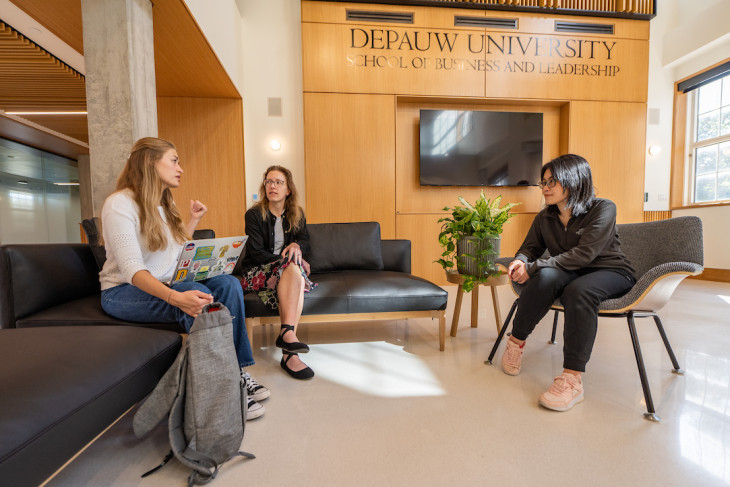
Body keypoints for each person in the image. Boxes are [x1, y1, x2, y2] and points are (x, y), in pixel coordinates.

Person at [99, 137, 269, 419]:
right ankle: (219, 391)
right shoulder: (120, 204)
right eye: (174, 160)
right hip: (122, 293)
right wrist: (176, 296)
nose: (180, 168)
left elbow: (173, 253)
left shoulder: (161, 206)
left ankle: (235, 372)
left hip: (165, 284)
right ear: (151, 162)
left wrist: (193, 222)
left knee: (228, 283)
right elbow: (132, 270)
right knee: (193, 292)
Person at [501, 153, 636, 412]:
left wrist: (534, 266)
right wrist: (520, 261)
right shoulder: (545, 217)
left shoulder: (603, 208)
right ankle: (516, 342)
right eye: (544, 182)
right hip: (569, 271)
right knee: (545, 276)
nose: (546, 188)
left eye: (553, 181)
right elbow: (530, 248)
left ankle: (572, 379)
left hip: (610, 271)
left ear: (574, 180)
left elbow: (585, 255)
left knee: (578, 291)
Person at [239, 165, 317, 380]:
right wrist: (288, 260)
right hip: (257, 271)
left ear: (288, 189)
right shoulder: (254, 215)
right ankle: (289, 349)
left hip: (286, 271)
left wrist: (297, 248)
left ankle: (287, 339)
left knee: (294, 272)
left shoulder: (297, 214)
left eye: (278, 182)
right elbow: (256, 253)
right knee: (294, 271)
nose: (272, 186)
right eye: (269, 181)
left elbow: (305, 240)